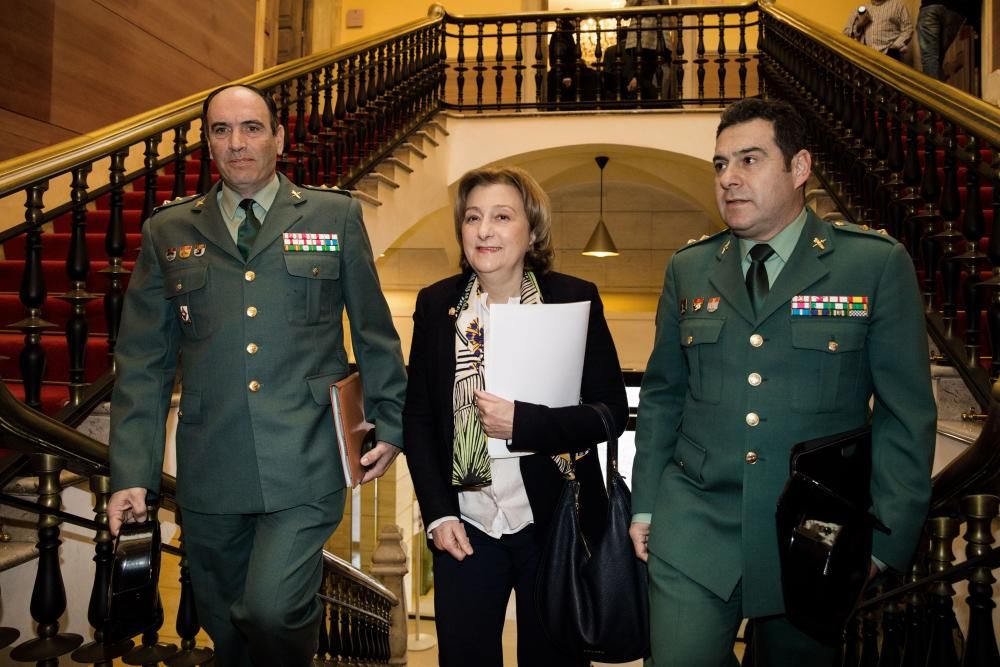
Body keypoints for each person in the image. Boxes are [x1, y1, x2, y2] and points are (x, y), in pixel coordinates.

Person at [106, 84, 407, 666]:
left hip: (306, 455)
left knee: (271, 609)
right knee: (227, 625)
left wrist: (390, 422)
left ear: (279, 137)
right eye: (222, 130)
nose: (237, 143)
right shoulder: (168, 232)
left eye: (251, 128)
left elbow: (373, 330)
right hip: (211, 463)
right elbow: (143, 365)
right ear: (208, 145)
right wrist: (131, 475)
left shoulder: (333, 214)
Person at [629, 98, 936, 666]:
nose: (730, 179)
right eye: (720, 165)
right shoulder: (689, 268)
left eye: (749, 159)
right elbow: (664, 394)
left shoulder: (871, 265)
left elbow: (904, 414)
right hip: (696, 525)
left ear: (800, 168)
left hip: (814, 536)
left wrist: (886, 540)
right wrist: (645, 504)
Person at [403, 166, 628, 667]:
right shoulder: (437, 304)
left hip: (554, 525)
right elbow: (417, 416)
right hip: (465, 526)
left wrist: (527, 425)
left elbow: (611, 412)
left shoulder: (573, 298)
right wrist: (438, 512)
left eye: (502, 217)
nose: (484, 231)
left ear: (531, 231)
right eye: (473, 218)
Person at [624, 0, 676, 102]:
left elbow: (670, 19)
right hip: (643, 36)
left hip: (661, 36)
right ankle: (644, 104)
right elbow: (626, 11)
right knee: (643, 72)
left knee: (663, 72)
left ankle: (659, 103)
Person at [917, 0, 981, 80]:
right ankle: (939, 90)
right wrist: (971, 20)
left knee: (930, 57)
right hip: (955, 11)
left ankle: (933, 91)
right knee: (936, 59)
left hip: (931, 6)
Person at [843, 0, 914, 61]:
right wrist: (859, 25)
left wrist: (894, 47)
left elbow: (908, 29)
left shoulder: (898, 5)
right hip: (867, 58)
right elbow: (846, 34)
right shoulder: (861, 9)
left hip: (890, 58)